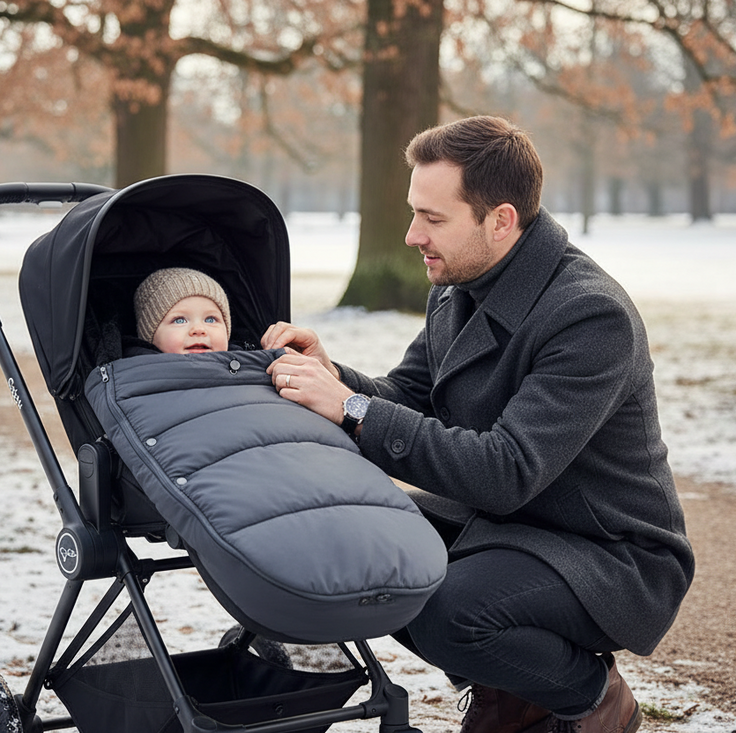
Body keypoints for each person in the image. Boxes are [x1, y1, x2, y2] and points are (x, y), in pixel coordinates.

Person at [262, 116, 694, 733]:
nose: (413, 235)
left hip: (609, 554)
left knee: (444, 610)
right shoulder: (460, 281)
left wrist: (350, 409)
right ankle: (511, 697)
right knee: (364, 551)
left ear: (501, 220)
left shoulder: (590, 316)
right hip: (511, 528)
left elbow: (506, 473)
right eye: (414, 212)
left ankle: (593, 695)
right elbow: (409, 396)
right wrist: (335, 378)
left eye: (433, 219)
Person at [133, 267, 231, 354]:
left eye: (210, 319)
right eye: (179, 320)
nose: (199, 330)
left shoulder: (242, 363)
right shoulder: (137, 371)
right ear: (149, 337)